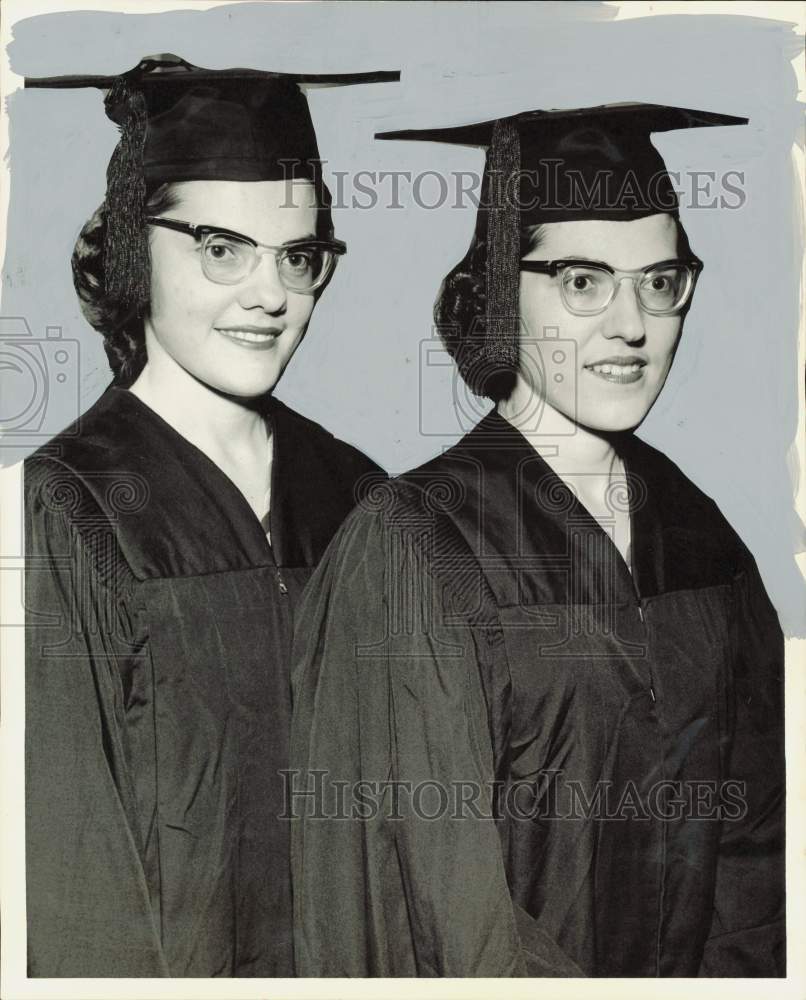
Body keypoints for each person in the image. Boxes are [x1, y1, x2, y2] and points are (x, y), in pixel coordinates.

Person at [290, 104, 786, 977]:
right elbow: (442, 908)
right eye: (584, 282)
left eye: (661, 281)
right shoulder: (418, 543)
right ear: (498, 290)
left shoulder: (705, 539)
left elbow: (759, 853)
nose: (632, 325)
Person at [23, 54, 396, 977]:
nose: (269, 296)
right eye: (222, 249)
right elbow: (71, 867)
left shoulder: (360, 495)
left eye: (298, 257)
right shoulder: (66, 501)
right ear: (129, 246)